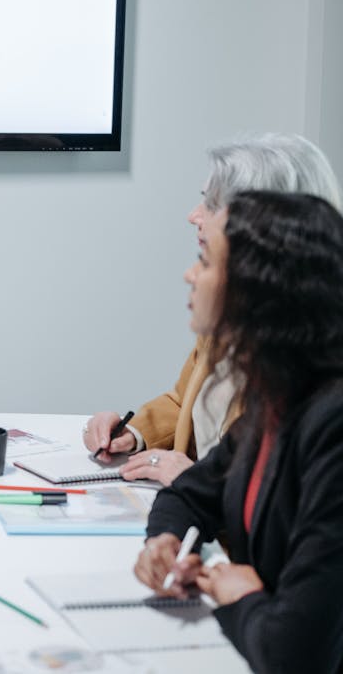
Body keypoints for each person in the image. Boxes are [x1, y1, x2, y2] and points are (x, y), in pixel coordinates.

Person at [133, 191, 343, 672]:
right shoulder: (277, 395)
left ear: (255, 290)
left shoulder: (331, 422)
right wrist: (163, 541)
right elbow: (190, 494)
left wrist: (238, 596)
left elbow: (297, 654)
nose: (190, 274)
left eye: (204, 262)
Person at [83, 134, 340, 485]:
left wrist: (198, 484)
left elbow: (278, 499)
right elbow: (185, 405)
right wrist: (135, 433)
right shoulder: (232, 318)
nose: (194, 216)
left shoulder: (311, 373)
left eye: (212, 205)